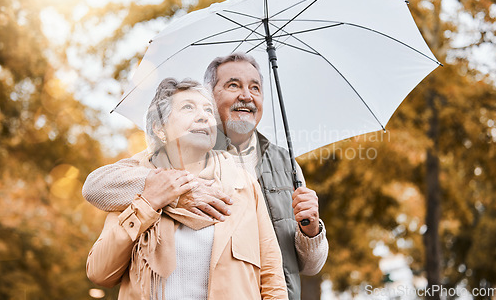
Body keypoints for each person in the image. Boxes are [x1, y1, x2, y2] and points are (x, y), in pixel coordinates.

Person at [83, 53, 328, 299]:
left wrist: (311, 229)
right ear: (211, 93)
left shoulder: (282, 167)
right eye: (234, 85)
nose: (247, 95)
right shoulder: (152, 164)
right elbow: (96, 189)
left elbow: (302, 268)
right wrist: (172, 192)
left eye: (255, 87)